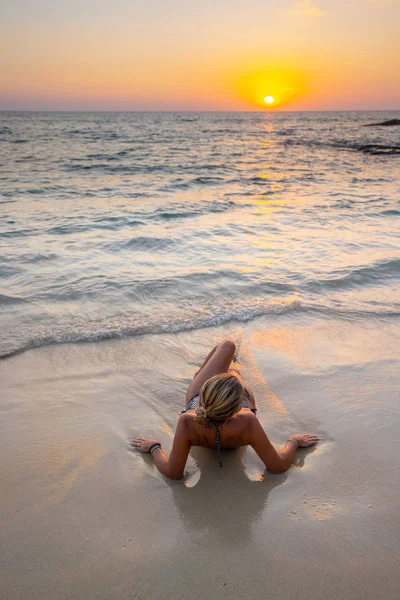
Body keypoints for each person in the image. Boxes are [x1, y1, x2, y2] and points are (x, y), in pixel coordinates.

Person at [130, 340, 319, 480]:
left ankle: (209, 373)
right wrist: (293, 441)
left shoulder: (187, 421)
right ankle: (232, 373)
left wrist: (154, 448)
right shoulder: (248, 420)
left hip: (207, 401)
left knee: (228, 347)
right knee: (235, 376)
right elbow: (278, 466)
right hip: (230, 407)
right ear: (237, 408)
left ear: (204, 397)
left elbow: (173, 473)